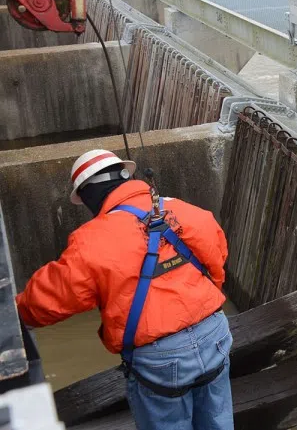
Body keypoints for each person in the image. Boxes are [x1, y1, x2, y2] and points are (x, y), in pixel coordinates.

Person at [15, 149, 232, 430]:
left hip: (159, 358)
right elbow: (216, 259)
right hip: (214, 333)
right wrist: (202, 305)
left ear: (88, 196)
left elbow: (49, 300)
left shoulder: (90, 241)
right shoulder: (184, 209)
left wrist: (16, 311)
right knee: (218, 422)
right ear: (126, 176)